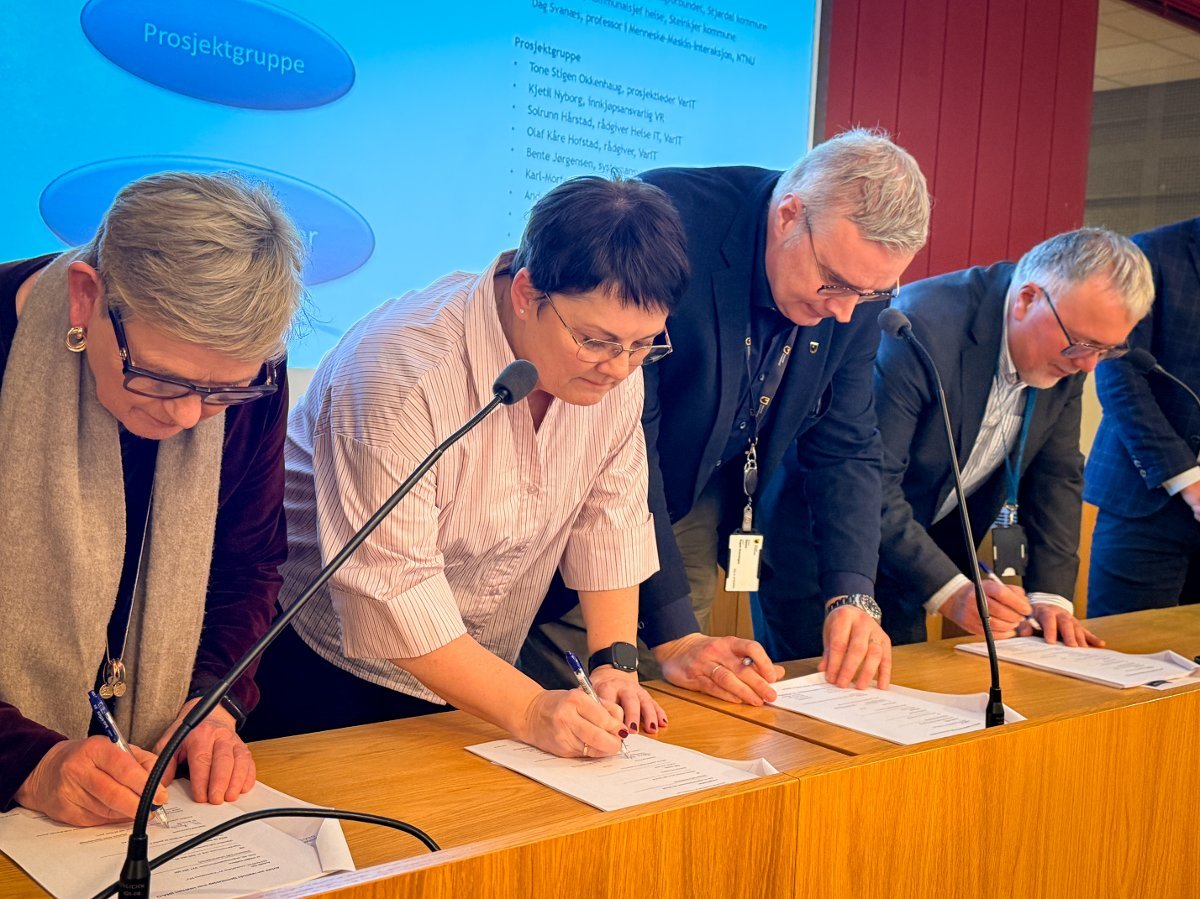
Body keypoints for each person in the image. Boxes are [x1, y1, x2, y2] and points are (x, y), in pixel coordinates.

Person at [243, 176, 686, 758]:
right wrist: (528, 709)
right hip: (332, 669)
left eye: (644, 344)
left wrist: (614, 664)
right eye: (596, 341)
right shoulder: (400, 371)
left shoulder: (612, 364)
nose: (620, 368)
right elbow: (390, 589)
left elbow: (612, 520)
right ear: (526, 293)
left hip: (484, 673)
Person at [523, 128, 931, 696]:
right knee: (587, 667)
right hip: (592, 482)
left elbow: (848, 441)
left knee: (677, 679)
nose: (844, 313)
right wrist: (672, 633)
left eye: (869, 295)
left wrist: (853, 592)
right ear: (789, 216)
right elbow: (626, 438)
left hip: (700, 492)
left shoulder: (853, 289)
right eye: (835, 284)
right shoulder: (668, 226)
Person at [0, 171, 305, 826]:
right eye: (162, 379)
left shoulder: (254, 374)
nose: (191, 416)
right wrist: (23, 759)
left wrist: (214, 702)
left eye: (223, 393)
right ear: (86, 297)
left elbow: (248, 564)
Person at [760, 228, 1153, 651]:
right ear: (1027, 300)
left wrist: (1050, 598)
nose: (1090, 365)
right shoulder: (919, 329)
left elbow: (1057, 477)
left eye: (1106, 350)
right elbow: (867, 478)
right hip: (825, 556)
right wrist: (950, 590)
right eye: (1082, 344)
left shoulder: (1067, 351)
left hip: (911, 561)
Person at [1085, 216, 1200, 614]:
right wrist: (1188, 480)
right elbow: (1120, 376)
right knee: (1126, 646)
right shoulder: (1152, 253)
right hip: (1144, 499)